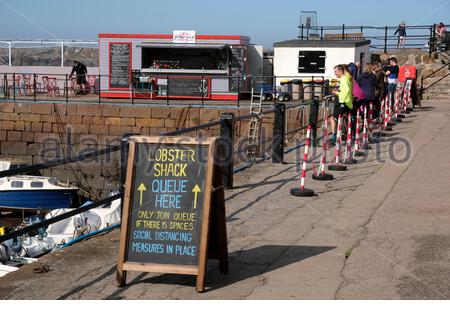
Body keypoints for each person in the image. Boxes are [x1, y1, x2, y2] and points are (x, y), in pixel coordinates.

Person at [329, 64, 353, 145]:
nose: (335, 73)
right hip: (347, 102)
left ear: (340, 71)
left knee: (332, 119)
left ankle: (334, 138)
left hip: (343, 102)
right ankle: (347, 136)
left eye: (336, 72)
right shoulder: (345, 78)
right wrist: (337, 92)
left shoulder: (343, 79)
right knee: (344, 119)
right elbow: (345, 91)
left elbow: (346, 90)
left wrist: (337, 94)